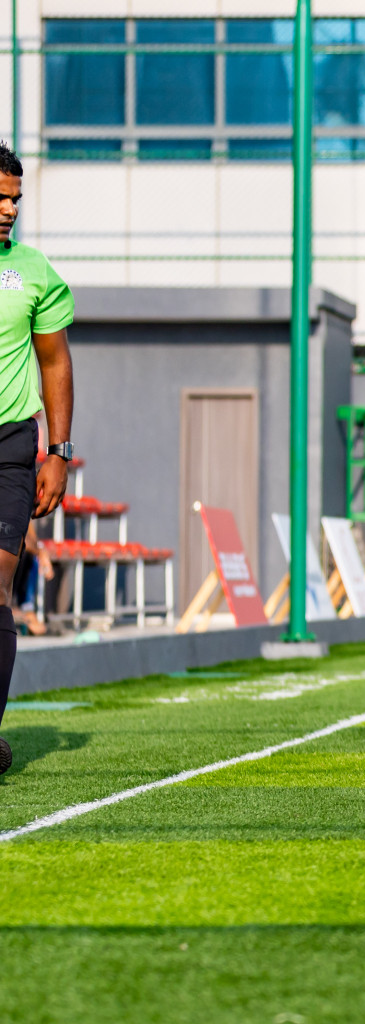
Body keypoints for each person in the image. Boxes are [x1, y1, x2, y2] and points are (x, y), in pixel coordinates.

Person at [0, 142, 74, 774]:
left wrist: (60, 450)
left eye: (16, 199)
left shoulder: (33, 271)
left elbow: (54, 360)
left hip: (11, 446)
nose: (8, 209)